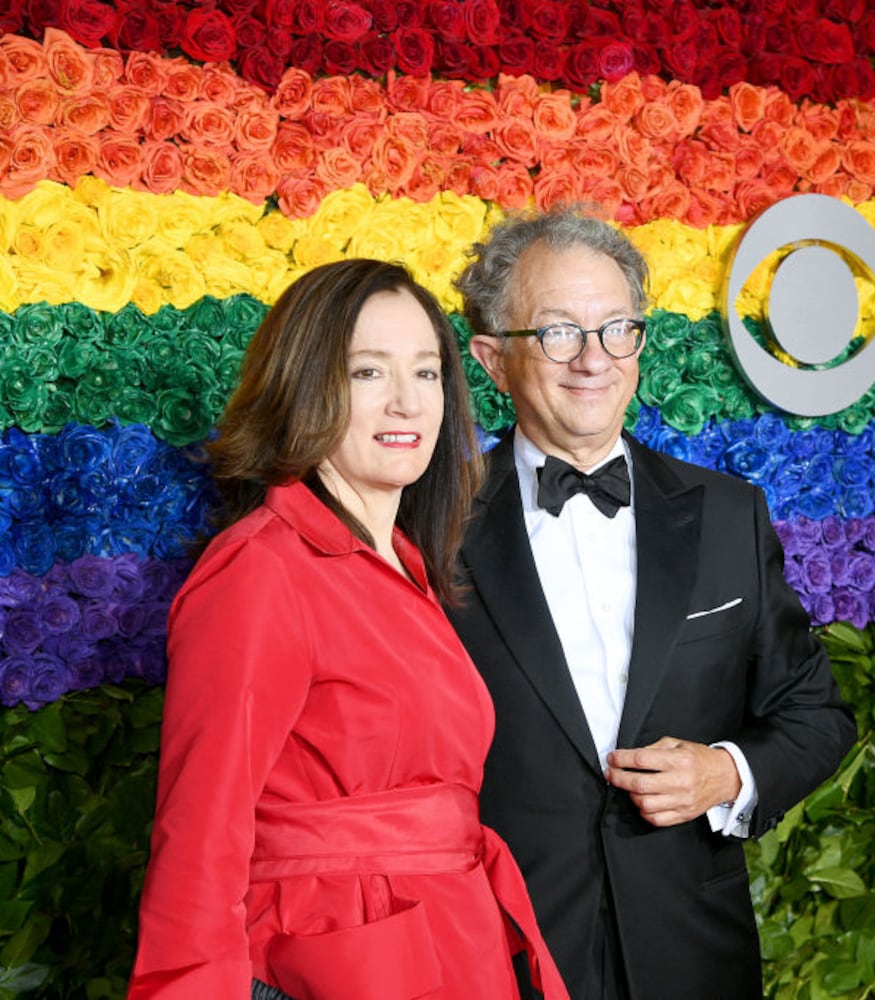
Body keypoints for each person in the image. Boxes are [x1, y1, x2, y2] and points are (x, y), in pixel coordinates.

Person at [128, 260, 568, 999]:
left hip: (452, 941)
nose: (407, 403)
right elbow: (199, 832)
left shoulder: (405, 563)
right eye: (368, 373)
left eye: (426, 374)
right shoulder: (260, 570)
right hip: (337, 960)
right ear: (305, 387)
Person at [449, 208, 858, 1000]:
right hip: (503, 954)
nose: (592, 360)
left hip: (693, 955)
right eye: (557, 332)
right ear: (494, 361)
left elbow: (815, 717)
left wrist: (724, 773)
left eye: (616, 329)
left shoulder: (730, 513)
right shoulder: (428, 527)